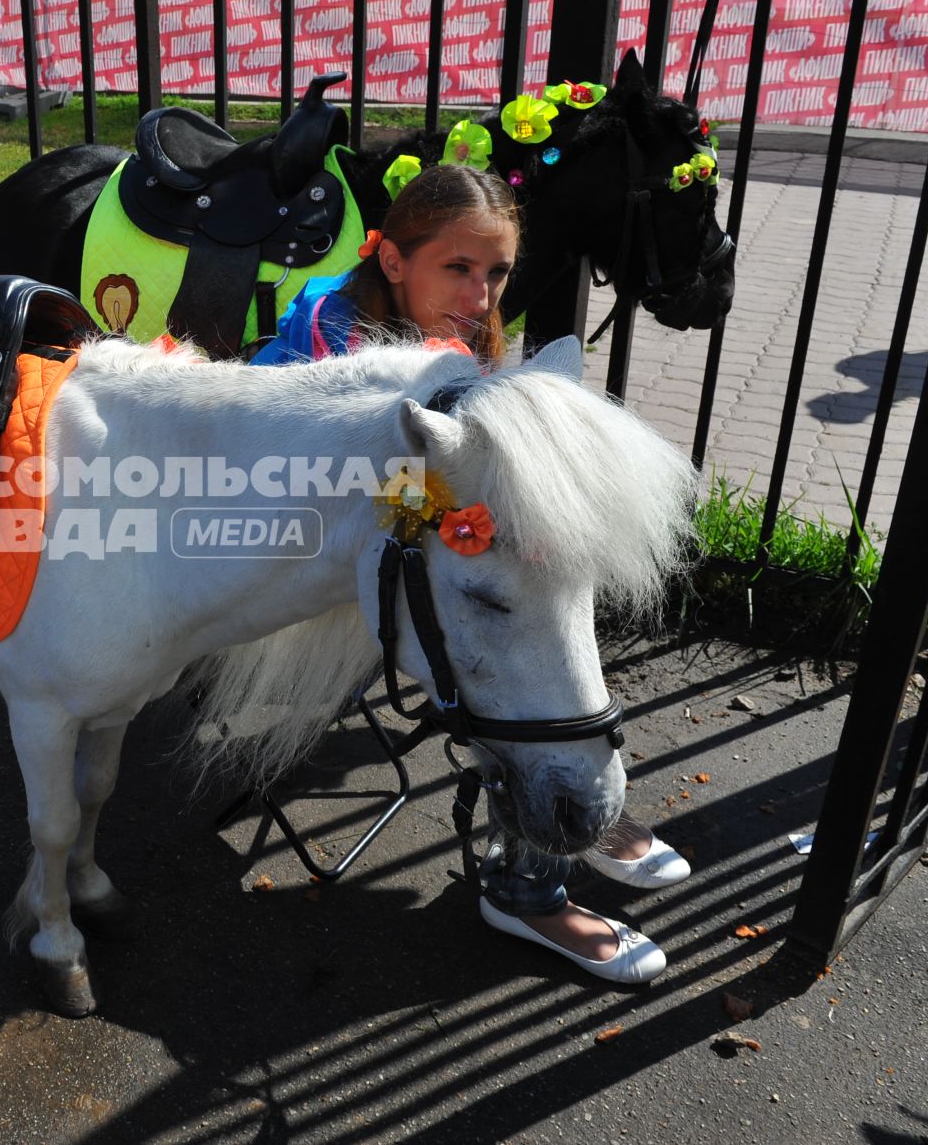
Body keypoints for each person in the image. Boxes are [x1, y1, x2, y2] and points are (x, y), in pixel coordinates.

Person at [254, 162, 688, 983]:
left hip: (401, 566)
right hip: (314, 572)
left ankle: (575, 802)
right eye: (458, 267)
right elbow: (348, 500)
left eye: (495, 273)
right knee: (491, 648)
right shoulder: (334, 355)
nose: (481, 294)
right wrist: (483, 522)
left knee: (525, 607)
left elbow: (461, 480)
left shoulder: (443, 337)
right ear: (392, 261)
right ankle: (528, 882)